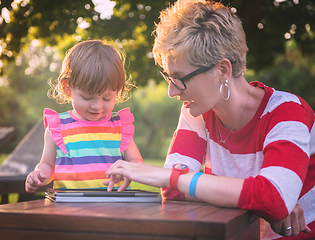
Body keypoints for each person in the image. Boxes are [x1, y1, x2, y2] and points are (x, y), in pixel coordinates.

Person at [104, 0, 315, 239]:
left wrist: (270, 200)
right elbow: (173, 192)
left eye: (180, 78)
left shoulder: (288, 112)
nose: (172, 91)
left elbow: (273, 198)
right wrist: (259, 201)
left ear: (223, 70)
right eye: (169, 77)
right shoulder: (196, 112)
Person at [25, 39, 143, 193]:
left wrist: (127, 170)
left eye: (107, 98)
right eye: (87, 97)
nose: (97, 106)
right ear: (68, 87)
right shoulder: (58, 127)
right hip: (70, 207)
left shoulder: (119, 127)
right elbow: (47, 165)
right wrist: (39, 175)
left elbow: (136, 161)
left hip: (113, 205)